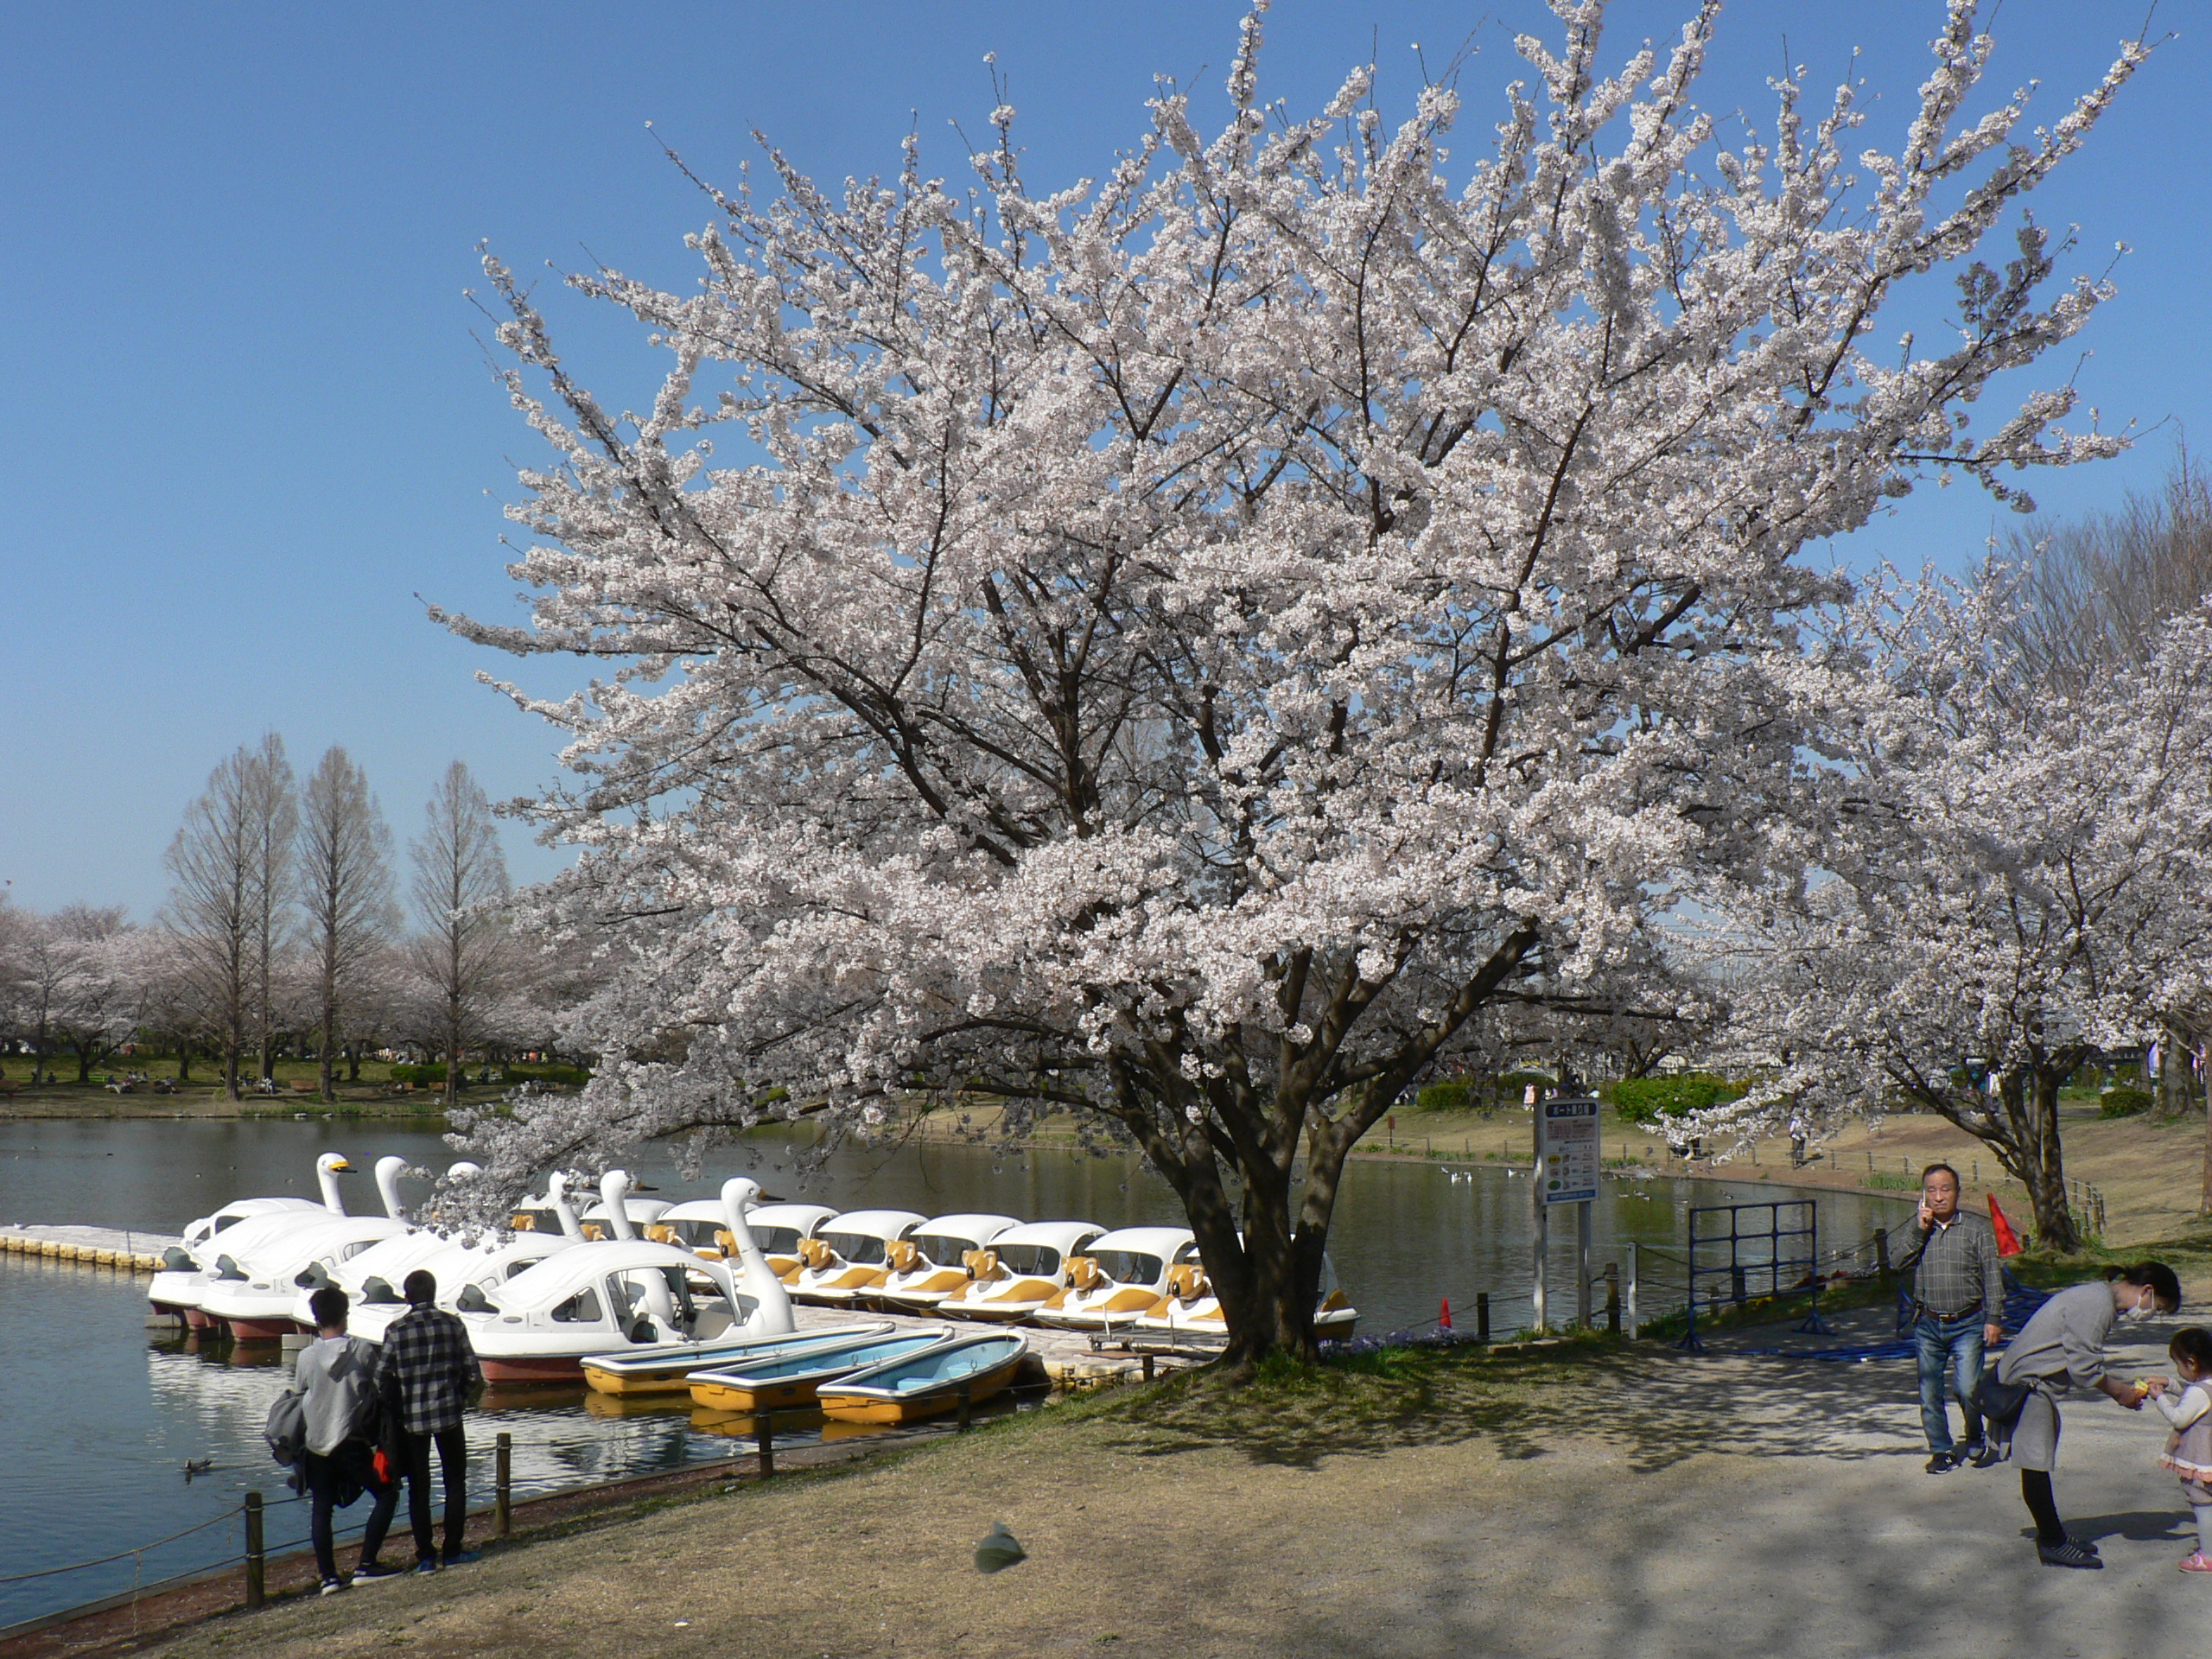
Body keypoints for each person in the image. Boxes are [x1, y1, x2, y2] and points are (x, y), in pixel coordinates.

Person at [1993, 1262, 2182, 1568]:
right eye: (2157, 1307)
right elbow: (2084, 1367)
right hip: (2028, 1384)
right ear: (2147, 1291)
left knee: (2036, 1461)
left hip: (2033, 1381)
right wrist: (2120, 1392)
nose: (2150, 1313)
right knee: (2035, 1462)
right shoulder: (2098, 1305)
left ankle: (2054, 1536)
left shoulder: (2098, 1298)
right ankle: (2052, 1542)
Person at [375, 1268, 485, 1573]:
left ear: (407, 1297)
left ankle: (425, 1555)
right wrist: (459, 1398)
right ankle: (453, 1550)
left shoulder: (396, 1331)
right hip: (449, 1414)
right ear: (434, 1294)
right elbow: (473, 1373)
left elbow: (381, 1376)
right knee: (455, 1483)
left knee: (419, 1488)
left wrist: (399, 1405)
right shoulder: (453, 1324)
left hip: (412, 1419)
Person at [294, 1286, 401, 1595]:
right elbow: (377, 1387)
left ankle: (328, 1577)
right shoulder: (363, 1351)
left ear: (316, 1318)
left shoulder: (306, 1357)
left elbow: (301, 1392)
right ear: (345, 1314)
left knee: (321, 1508)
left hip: (316, 1443)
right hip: (351, 1440)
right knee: (387, 1493)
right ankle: (366, 1564)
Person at [1903, 1162, 2005, 1472]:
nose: (1938, 1197)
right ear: (1924, 1195)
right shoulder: (1919, 1228)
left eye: (1945, 1189)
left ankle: (1975, 1432)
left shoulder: (1977, 1230)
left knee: (1967, 1388)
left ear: (1957, 1193)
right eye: (1931, 1190)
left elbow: (1992, 1277)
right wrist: (1917, 1230)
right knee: (1929, 1391)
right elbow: (1897, 1261)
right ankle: (1942, 1451)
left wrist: (1994, 1318)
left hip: (1967, 1323)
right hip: (1928, 1324)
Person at [2145, 1325, 2212, 1573]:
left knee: (2202, 1502)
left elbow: (2179, 1418)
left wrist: (2159, 1398)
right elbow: (2195, 1395)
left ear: (2191, 1362)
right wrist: (2170, 1383)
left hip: (2202, 1458)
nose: (2177, 1369)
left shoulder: (2197, 1391)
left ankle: (2208, 1555)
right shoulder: (2206, 1386)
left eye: (2177, 1364)